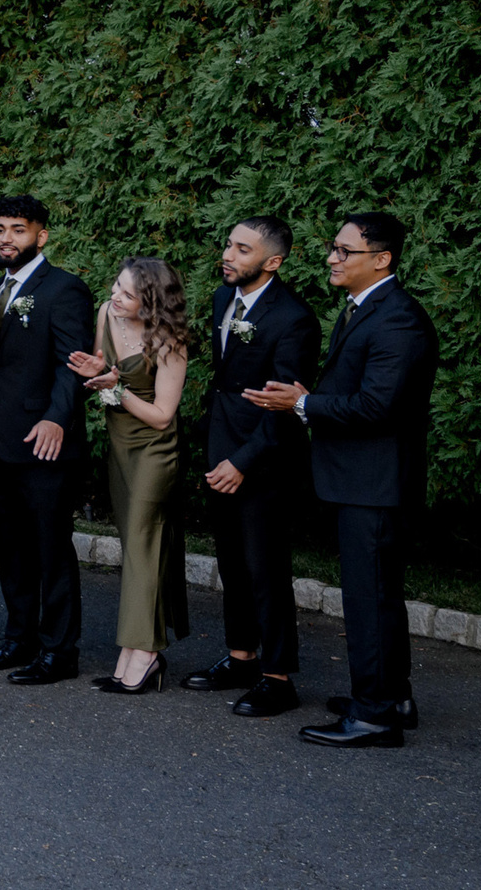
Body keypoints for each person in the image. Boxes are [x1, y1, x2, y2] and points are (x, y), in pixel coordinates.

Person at [247, 211, 439, 748]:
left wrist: (304, 403)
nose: (332, 257)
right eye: (333, 247)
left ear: (381, 260)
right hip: (362, 480)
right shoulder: (364, 309)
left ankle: (375, 715)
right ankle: (391, 696)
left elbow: (379, 406)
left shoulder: (397, 318)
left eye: (344, 251)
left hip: (374, 483)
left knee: (368, 597)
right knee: (377, 595)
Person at [184, 216, 318, 718]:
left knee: (266, 570)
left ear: (273, 262)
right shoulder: (224, 301)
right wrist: (216, 450)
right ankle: (242, 657)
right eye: (229, 244)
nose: (229, 254)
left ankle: (278, 678)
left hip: (263, 461)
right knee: (232, 565)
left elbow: (286, 406)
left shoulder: (294, 320)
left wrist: (242, 462)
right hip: (222, 448)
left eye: (243, 249)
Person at [0, 194, 93, 685]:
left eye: (17, 230)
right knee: (11, 547)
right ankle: (18, 639)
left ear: (40, 236)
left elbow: (74, 363)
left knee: (50, 549)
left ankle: (59, 651)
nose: (6, 239)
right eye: (0, 229)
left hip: (46, 442)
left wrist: (56, 418)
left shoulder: (64, 289)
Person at [68, 256, 193, 693]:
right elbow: (102, 373)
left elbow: (162, 416)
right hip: (120, 448)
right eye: (115, 288)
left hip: (154, 452)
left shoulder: (170, 340)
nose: (115, 299)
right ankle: (135, 648)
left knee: (142, 544)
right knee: (136, 544)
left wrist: (115, 389)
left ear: (153, 302)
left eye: (127, 294)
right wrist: (98, 374)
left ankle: (144, 651)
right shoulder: (107, 313)